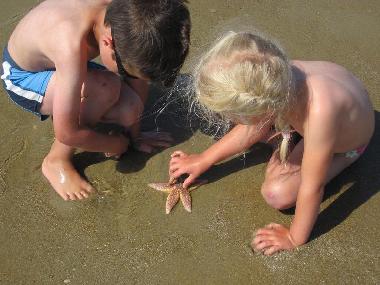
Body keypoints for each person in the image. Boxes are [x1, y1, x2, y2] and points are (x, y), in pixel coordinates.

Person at [168, 31, 374, 255]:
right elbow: (253, 126)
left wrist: (294, 237)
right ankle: (287, 136)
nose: (226, 120)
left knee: (277, 193)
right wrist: (204, 159)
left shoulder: (320, 112)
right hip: (335, 114)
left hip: (347, 144)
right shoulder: (272, 73)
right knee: (257, 133)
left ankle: (318, 149)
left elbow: (312, 187)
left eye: (229, 115)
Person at [1, 0, 191, 201]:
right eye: (128, 72)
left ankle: (81, 98)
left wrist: (136, 135)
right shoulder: (69, 43)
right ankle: (57, 160)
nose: (131, 78)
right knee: (105, 88)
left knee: (130, 108)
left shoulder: (130, 14)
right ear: (109, 42)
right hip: (22, 76)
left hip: (60, 61)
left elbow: (137, 82)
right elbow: (66, 132)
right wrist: (111, 144)